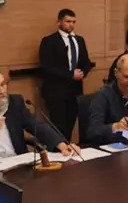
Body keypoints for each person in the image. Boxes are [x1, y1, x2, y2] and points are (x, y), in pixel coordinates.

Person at [0, 68, 80, 169]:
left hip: (19, 165)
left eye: (3, 84)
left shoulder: (15, 103)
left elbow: (37, 126)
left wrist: (62, 144)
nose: (2, 91)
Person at [39, 9, 93, 140]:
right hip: (56, 91)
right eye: (68, 21)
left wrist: (83, 72)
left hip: (75, 90)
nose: (71, 25)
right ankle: (59, 149)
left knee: (70, 124)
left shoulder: (79, 40)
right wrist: (70, 75)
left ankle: (67, 147)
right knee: (58, 126)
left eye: (74, 22)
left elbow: (86, 62)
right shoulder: (49, 41)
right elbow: (47, 67)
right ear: (59, 22)